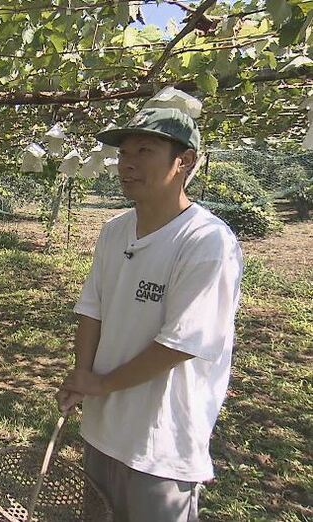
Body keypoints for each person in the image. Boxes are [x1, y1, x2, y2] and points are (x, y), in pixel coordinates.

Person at [56, 107, 244, 521]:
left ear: (185, 161)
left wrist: (100, 383)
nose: (128, 164)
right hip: (101, 432)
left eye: (145, 150)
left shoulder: (206, 242)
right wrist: (82, 376)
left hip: (159, 444)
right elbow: (93, 309)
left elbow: (180, 345)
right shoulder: (115, 231)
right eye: (123, 154)